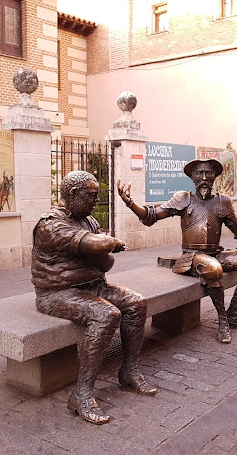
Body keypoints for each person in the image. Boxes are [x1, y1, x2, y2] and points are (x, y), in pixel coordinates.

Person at [32, 171, 156, 425]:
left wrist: (102, 247)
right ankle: (81, 395)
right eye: (92, 195)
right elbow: (98, 247)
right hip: (57, 294)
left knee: (136, 303)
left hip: (92, 287)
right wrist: (108, 243)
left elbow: (106, 263)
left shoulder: (89, 222)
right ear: (74, 194)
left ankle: (129, 371)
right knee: (106, 315)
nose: (96, 201)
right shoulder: (50, 224)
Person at [117, 159, 237, 345]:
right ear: (192, 177)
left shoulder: (223, 202)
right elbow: (151, 216)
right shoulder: (183, 199)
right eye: (199, 173)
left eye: (208, 173)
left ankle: (232, 313)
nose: (204, 177)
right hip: (191, 257)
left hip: (215, 254)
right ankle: (222, 321)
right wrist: (130, 203)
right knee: (213, 268)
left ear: (215, 176)